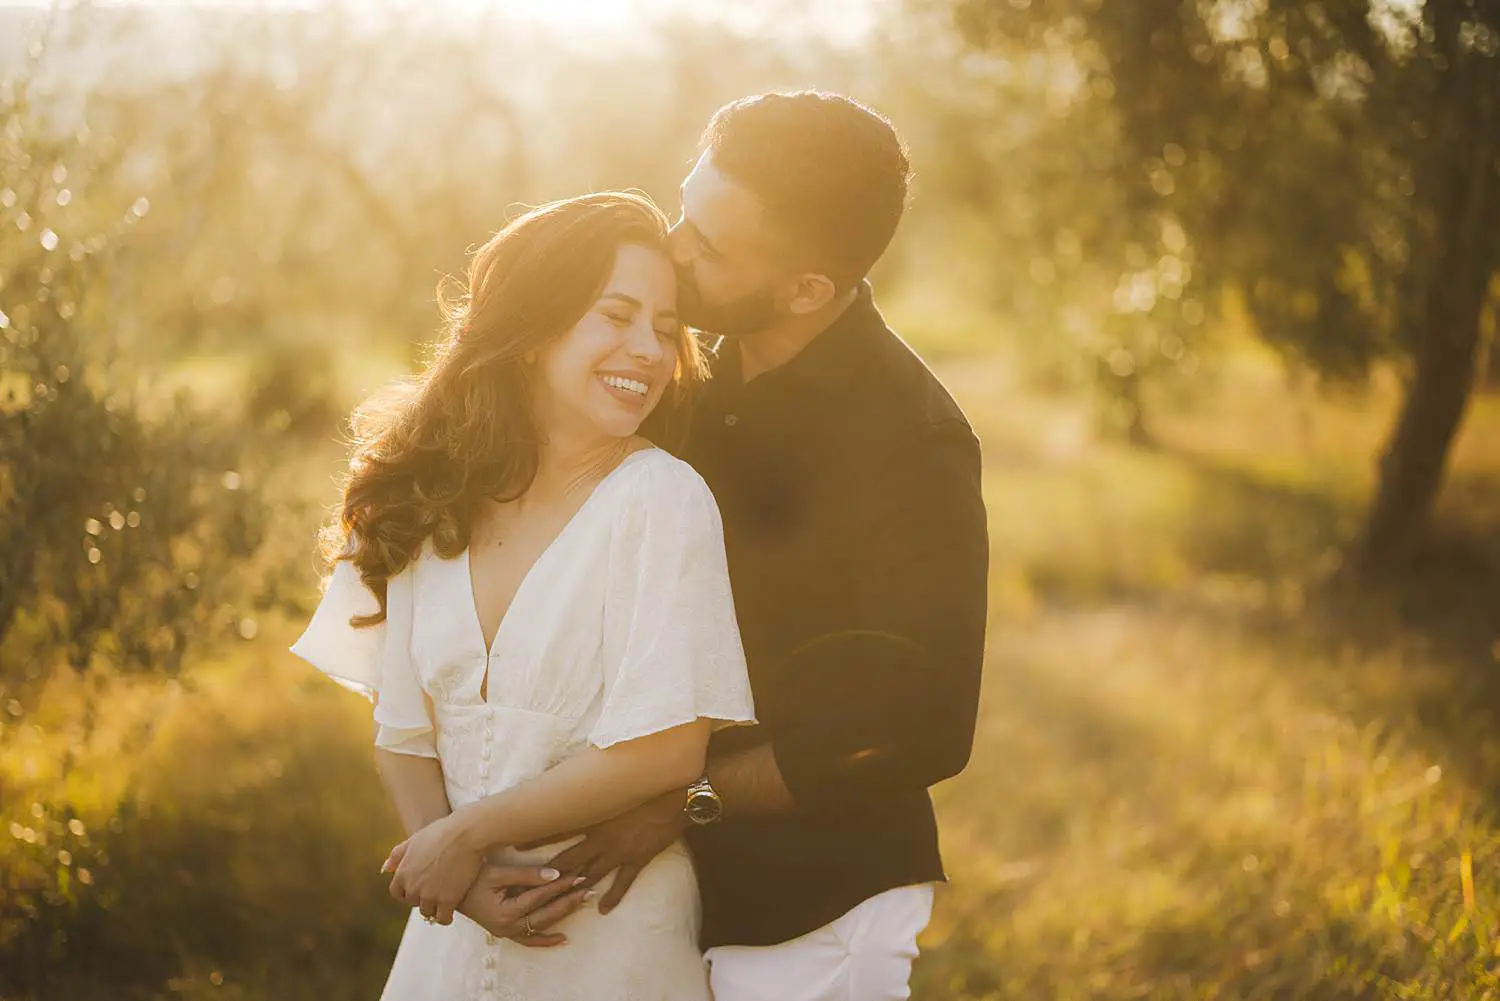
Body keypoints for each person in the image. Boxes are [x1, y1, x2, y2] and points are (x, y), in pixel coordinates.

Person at [524, 92, 991, 1001]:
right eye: (683, 210)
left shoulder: (913, 440)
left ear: (808, 289)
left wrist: (682, 797)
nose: (675, 248)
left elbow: (925, 722)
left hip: (812, 907)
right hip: (651, 891)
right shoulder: (678, 368)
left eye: (711, 245)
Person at [289, 192, 755, 1001]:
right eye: (616, 315)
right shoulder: (432, 495)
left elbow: (667, 749)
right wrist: (455, 876)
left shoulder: (661, 499)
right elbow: (402, 730)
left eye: (666, 327)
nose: (646, 349)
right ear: (535, 329)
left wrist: (463, 835)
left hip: (610, 937)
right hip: (451, 936)